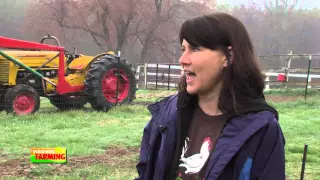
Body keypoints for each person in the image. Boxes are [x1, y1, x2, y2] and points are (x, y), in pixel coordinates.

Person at [135, 12, 286, 180]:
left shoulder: (261, 130)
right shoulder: (166, 115)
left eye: (195, 48)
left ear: (228, 56)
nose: (182, 59)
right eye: (183, 49)